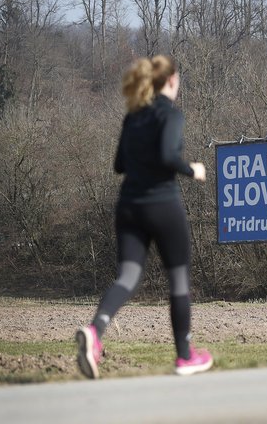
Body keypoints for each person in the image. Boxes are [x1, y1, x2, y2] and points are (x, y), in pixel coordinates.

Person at [76, 55, 212, 379]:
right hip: (162, 206)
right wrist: (192, 169)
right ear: (171, 81)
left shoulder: (132, 117)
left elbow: (119, 165)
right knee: (178, 281)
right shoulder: (171, 115)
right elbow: (168, 155)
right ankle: (184, 356)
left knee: (126, 278)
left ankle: (95, 332)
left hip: (129, 207)